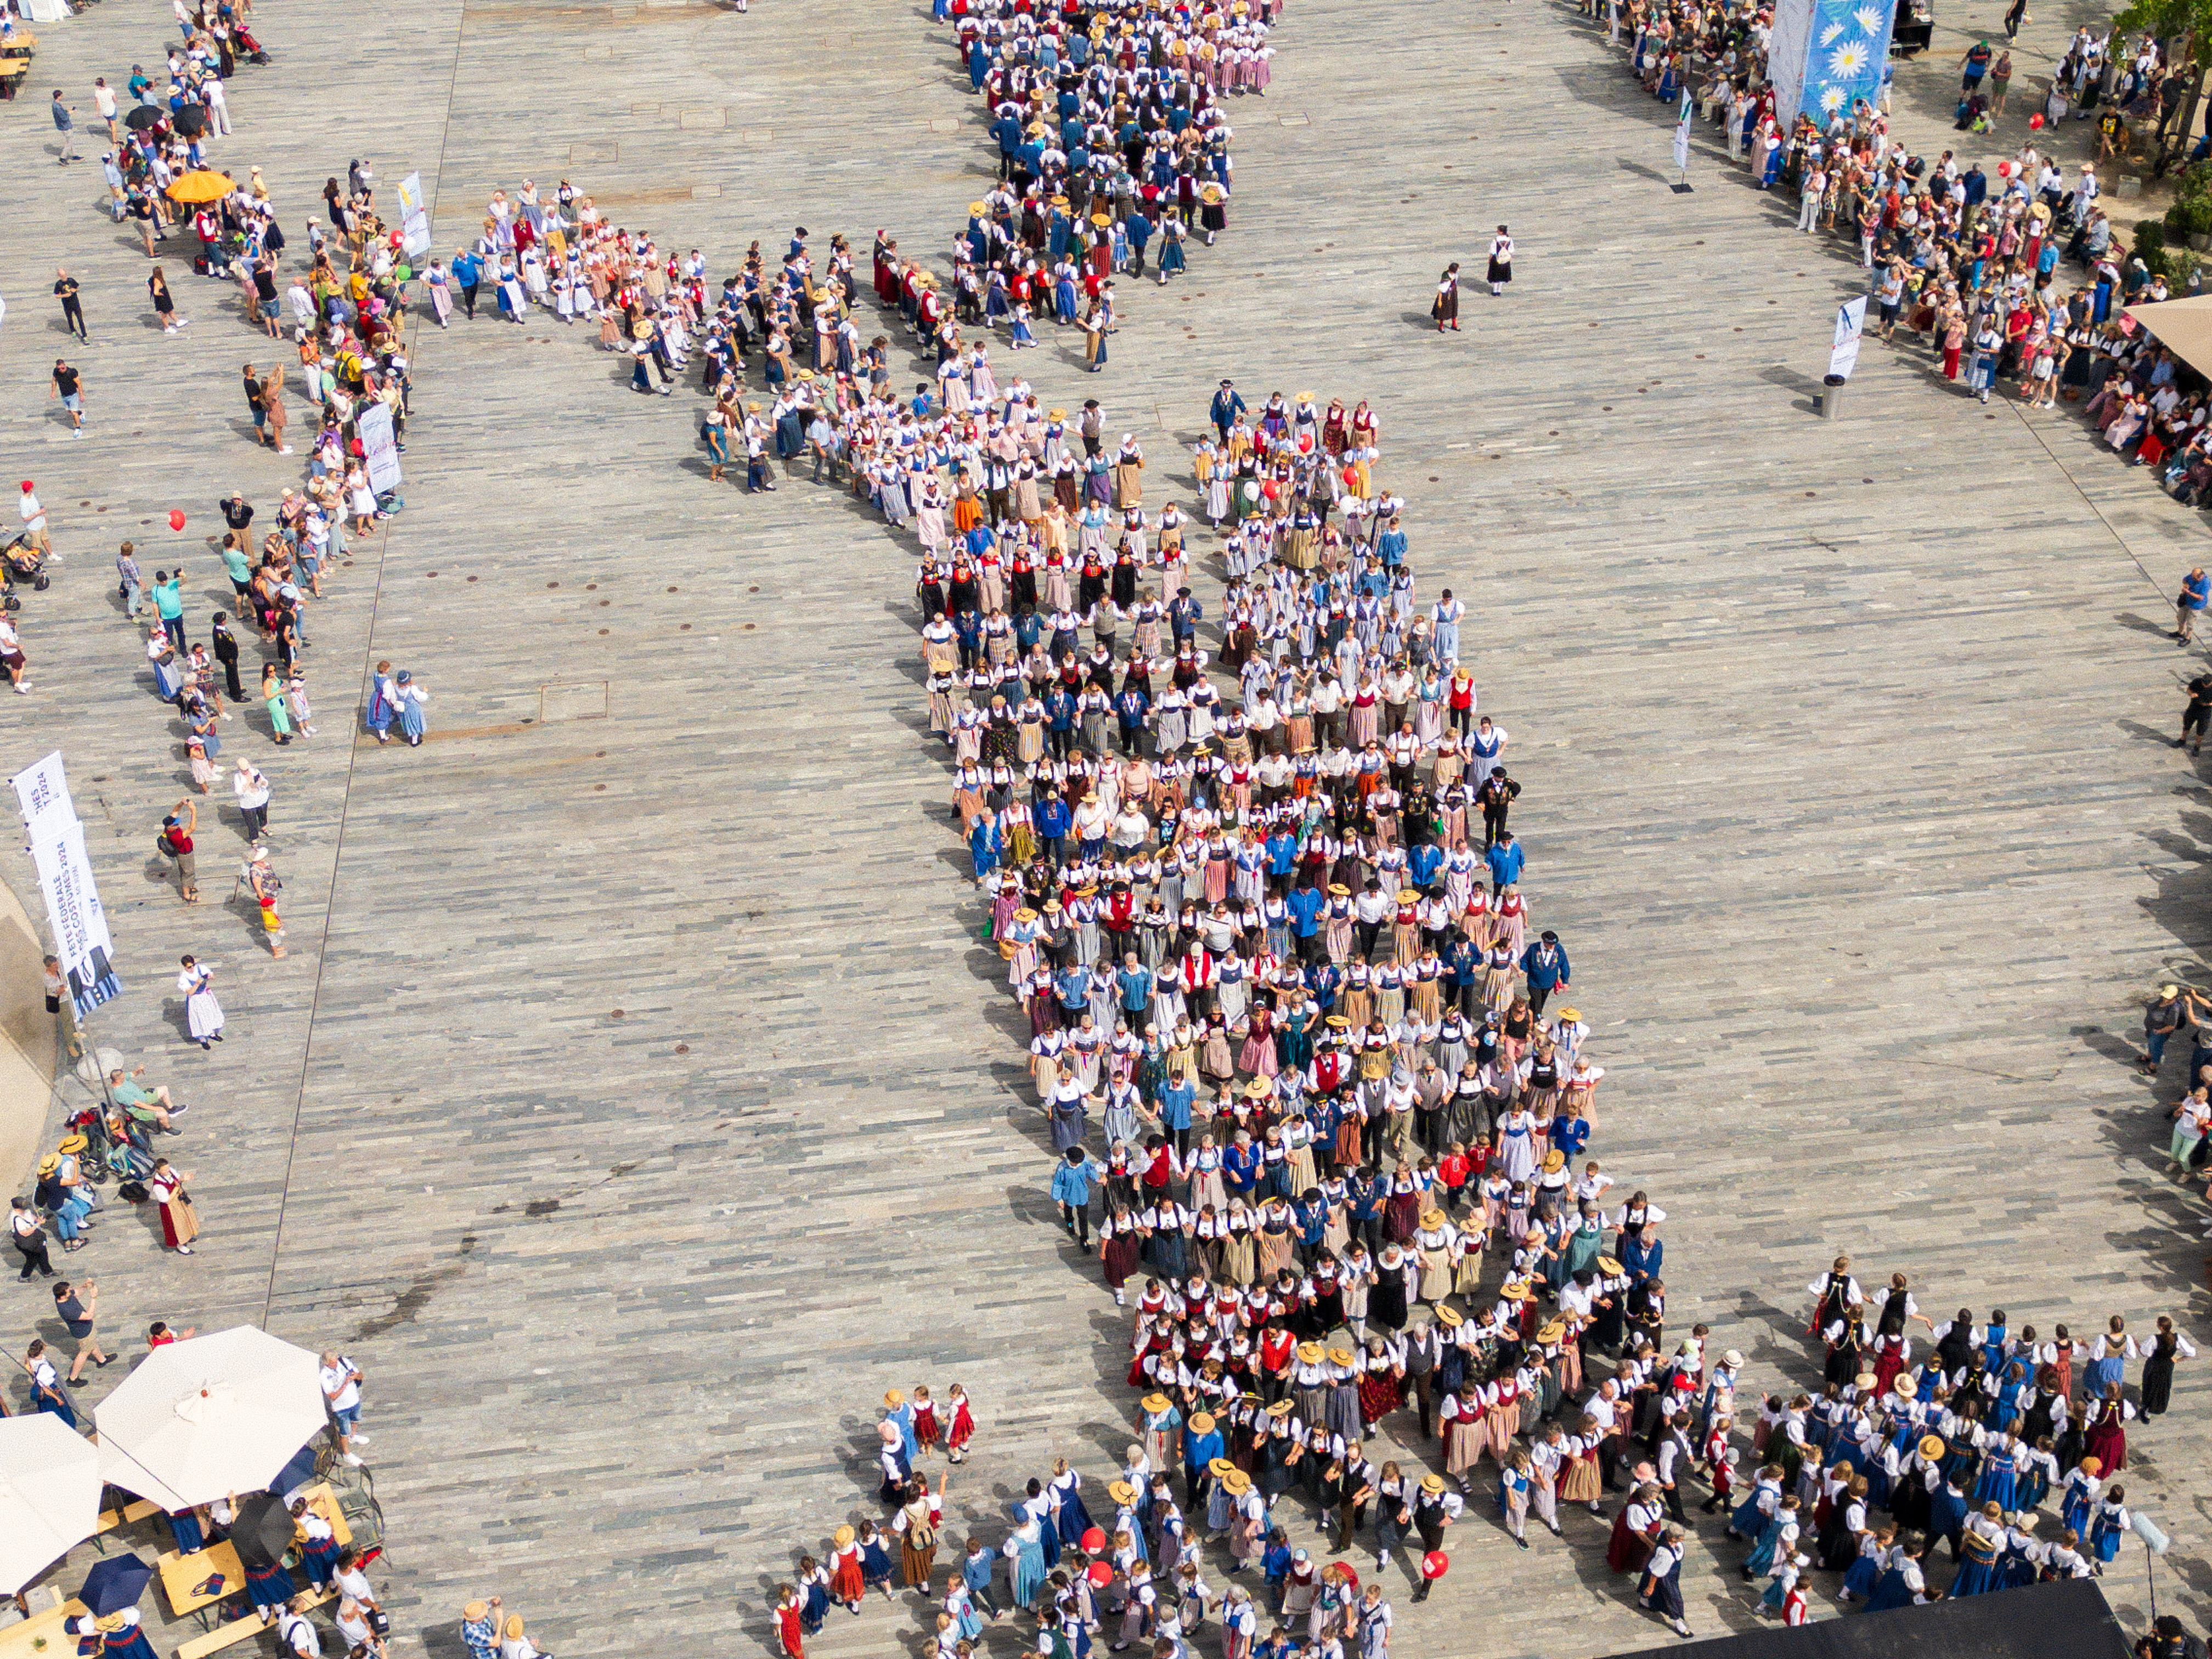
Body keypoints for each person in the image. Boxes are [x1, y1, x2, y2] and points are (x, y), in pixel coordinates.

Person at [321, 1350, 369, 1466]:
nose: (336, 1364)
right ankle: (347, 1454)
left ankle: (353, 1436)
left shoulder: (344, 1362)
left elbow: (361, 1375)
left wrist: (356, 1376)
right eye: (333, 1363)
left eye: (336, 1361)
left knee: (356, 1418)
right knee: (345, 1431)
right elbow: (332, 1396)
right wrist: (345, 1384)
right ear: (327, 1363)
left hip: (354, 1400)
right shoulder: (324, 1376)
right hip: (340, 1408)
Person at [148, 1159, 198, 1256]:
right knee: (177, 1225)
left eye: (168, 1168)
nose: (167, 1171)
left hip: (179, 1201)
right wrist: (177, 1188)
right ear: (158, 1170)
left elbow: (178, 1180)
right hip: (170, 1207)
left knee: (186, 1218)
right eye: (164, 1170)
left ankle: (187, 1236)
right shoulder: (158, 1185)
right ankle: (181, 1245)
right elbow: (167, 1200)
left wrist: (184, 1179)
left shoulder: (170, 1171)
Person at [177, 957, 225, 1049]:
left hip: (206, 996)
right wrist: (197, 984)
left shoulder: (200, 968)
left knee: (211, 1014)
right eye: (189, 967)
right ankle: (203, 1040)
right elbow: (190, 992)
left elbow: (213, 976)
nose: (192, 968)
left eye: (193, 965)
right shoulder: (184, 977)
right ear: (185, 967)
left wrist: (209, 976)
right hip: (196, 1000)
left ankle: (212, 1033)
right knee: (200, 1018)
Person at [10, 1195, 55, 1280]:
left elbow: (32, 1218)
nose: (25, 1209)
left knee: (43, 1254)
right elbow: (25, 1233)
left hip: (36, 1238)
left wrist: (38, 1220)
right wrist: (37, 1225)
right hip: (26, 1242)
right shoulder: (16, 1218)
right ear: (17, 1209)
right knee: (32, 1259)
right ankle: (24, 1276)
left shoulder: (26, 1211)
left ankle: (48, 1272)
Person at [2179, 567, 2210, 644]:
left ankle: (2188, 638)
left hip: (2196, 606)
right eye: (2192, 576)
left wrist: (2188, 592)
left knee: (2190, 623)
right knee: (2180, 617)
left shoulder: (2206, 583)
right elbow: (2185, 579)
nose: (2192, 578)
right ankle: (2180, 633)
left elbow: (2200, 597)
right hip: (2187, 602)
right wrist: (2186, 585)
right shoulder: (2192, 576)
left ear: (2201, 576)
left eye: (2195, 578)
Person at [54, 270, 87, 342]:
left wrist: (74, 290)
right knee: (69, 318)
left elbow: (77, 287)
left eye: (65, 275)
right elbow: (56, 295)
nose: (65, 277)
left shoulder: (71, 280)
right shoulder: (58, 284)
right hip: (66, 304)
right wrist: (65, 295)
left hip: (75, 303)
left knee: (80, 319)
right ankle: (73, 330)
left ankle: (85, 335)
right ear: (59, 276)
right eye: (63, 276)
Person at [1431, 264, 1460, 334]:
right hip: (1445, 295)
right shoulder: (1445, 277)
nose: (1459, 269)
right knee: (1443, 310)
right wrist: (1439, 301)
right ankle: (1441, 326)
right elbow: (1441, 291)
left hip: (1453, 293)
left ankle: (1454, 324)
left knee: (1454, 307)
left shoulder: (1455, 275)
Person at [51, 89, 77, 164]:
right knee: (70, 141)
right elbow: (64, 118)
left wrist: (66, 110)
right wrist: (70, 113)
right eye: (61, 96)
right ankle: (63, 158)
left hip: (62, 126)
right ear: (58, 96)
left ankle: (74, 155)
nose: (62, 97)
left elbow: (61, 113)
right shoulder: (58, 107)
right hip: (65, 126)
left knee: (71, 139)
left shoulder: (55, 104)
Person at [1487, 228, 1513, 297]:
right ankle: (1499, 290)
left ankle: (1495, 291)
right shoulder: (1509, 240)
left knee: (1496, 275)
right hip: (1505, 259)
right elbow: (1511, 250)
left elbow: (1493, 251)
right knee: (1502, 275)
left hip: (1496, 259)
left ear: (1501, 232)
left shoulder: (1496, 240)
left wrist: (1490, 259)